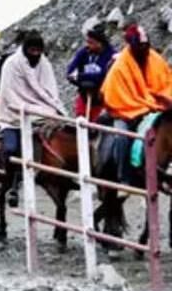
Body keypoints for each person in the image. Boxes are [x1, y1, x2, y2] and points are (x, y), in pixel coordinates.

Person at [99, 24, 172, 181]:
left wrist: (162, 101)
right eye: (140, 46)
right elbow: (115, 96)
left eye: (146, 45)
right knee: (121, 137)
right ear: (131, 45)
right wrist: (143, 107)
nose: (144, 49)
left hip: (155, 107)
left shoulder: (155, 59)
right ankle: (123, 177)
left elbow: (167, 83)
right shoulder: (119, 67)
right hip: (126, 111)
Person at [0, 33, 65, 174]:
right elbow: (10, 96)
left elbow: (49, 90)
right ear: (25, 49)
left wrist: (52, 108)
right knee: (11, 148)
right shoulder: (11, 65)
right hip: (12, 116)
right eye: (32, 51)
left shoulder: (44, 64)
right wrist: (27, 109)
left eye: (38, 51)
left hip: (40, 111)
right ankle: (10, 184)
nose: (35, 54)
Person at [66, 27, 115, 120]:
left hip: (102, 99)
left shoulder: (111, 55)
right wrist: (83, 80)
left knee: (97, 125)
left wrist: (80, 76)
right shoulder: (84, 52)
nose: (87, 45)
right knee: (80, 122)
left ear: (100, 43)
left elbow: (103, 76)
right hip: (84, 95)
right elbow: (70, 73)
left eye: (91, 43)